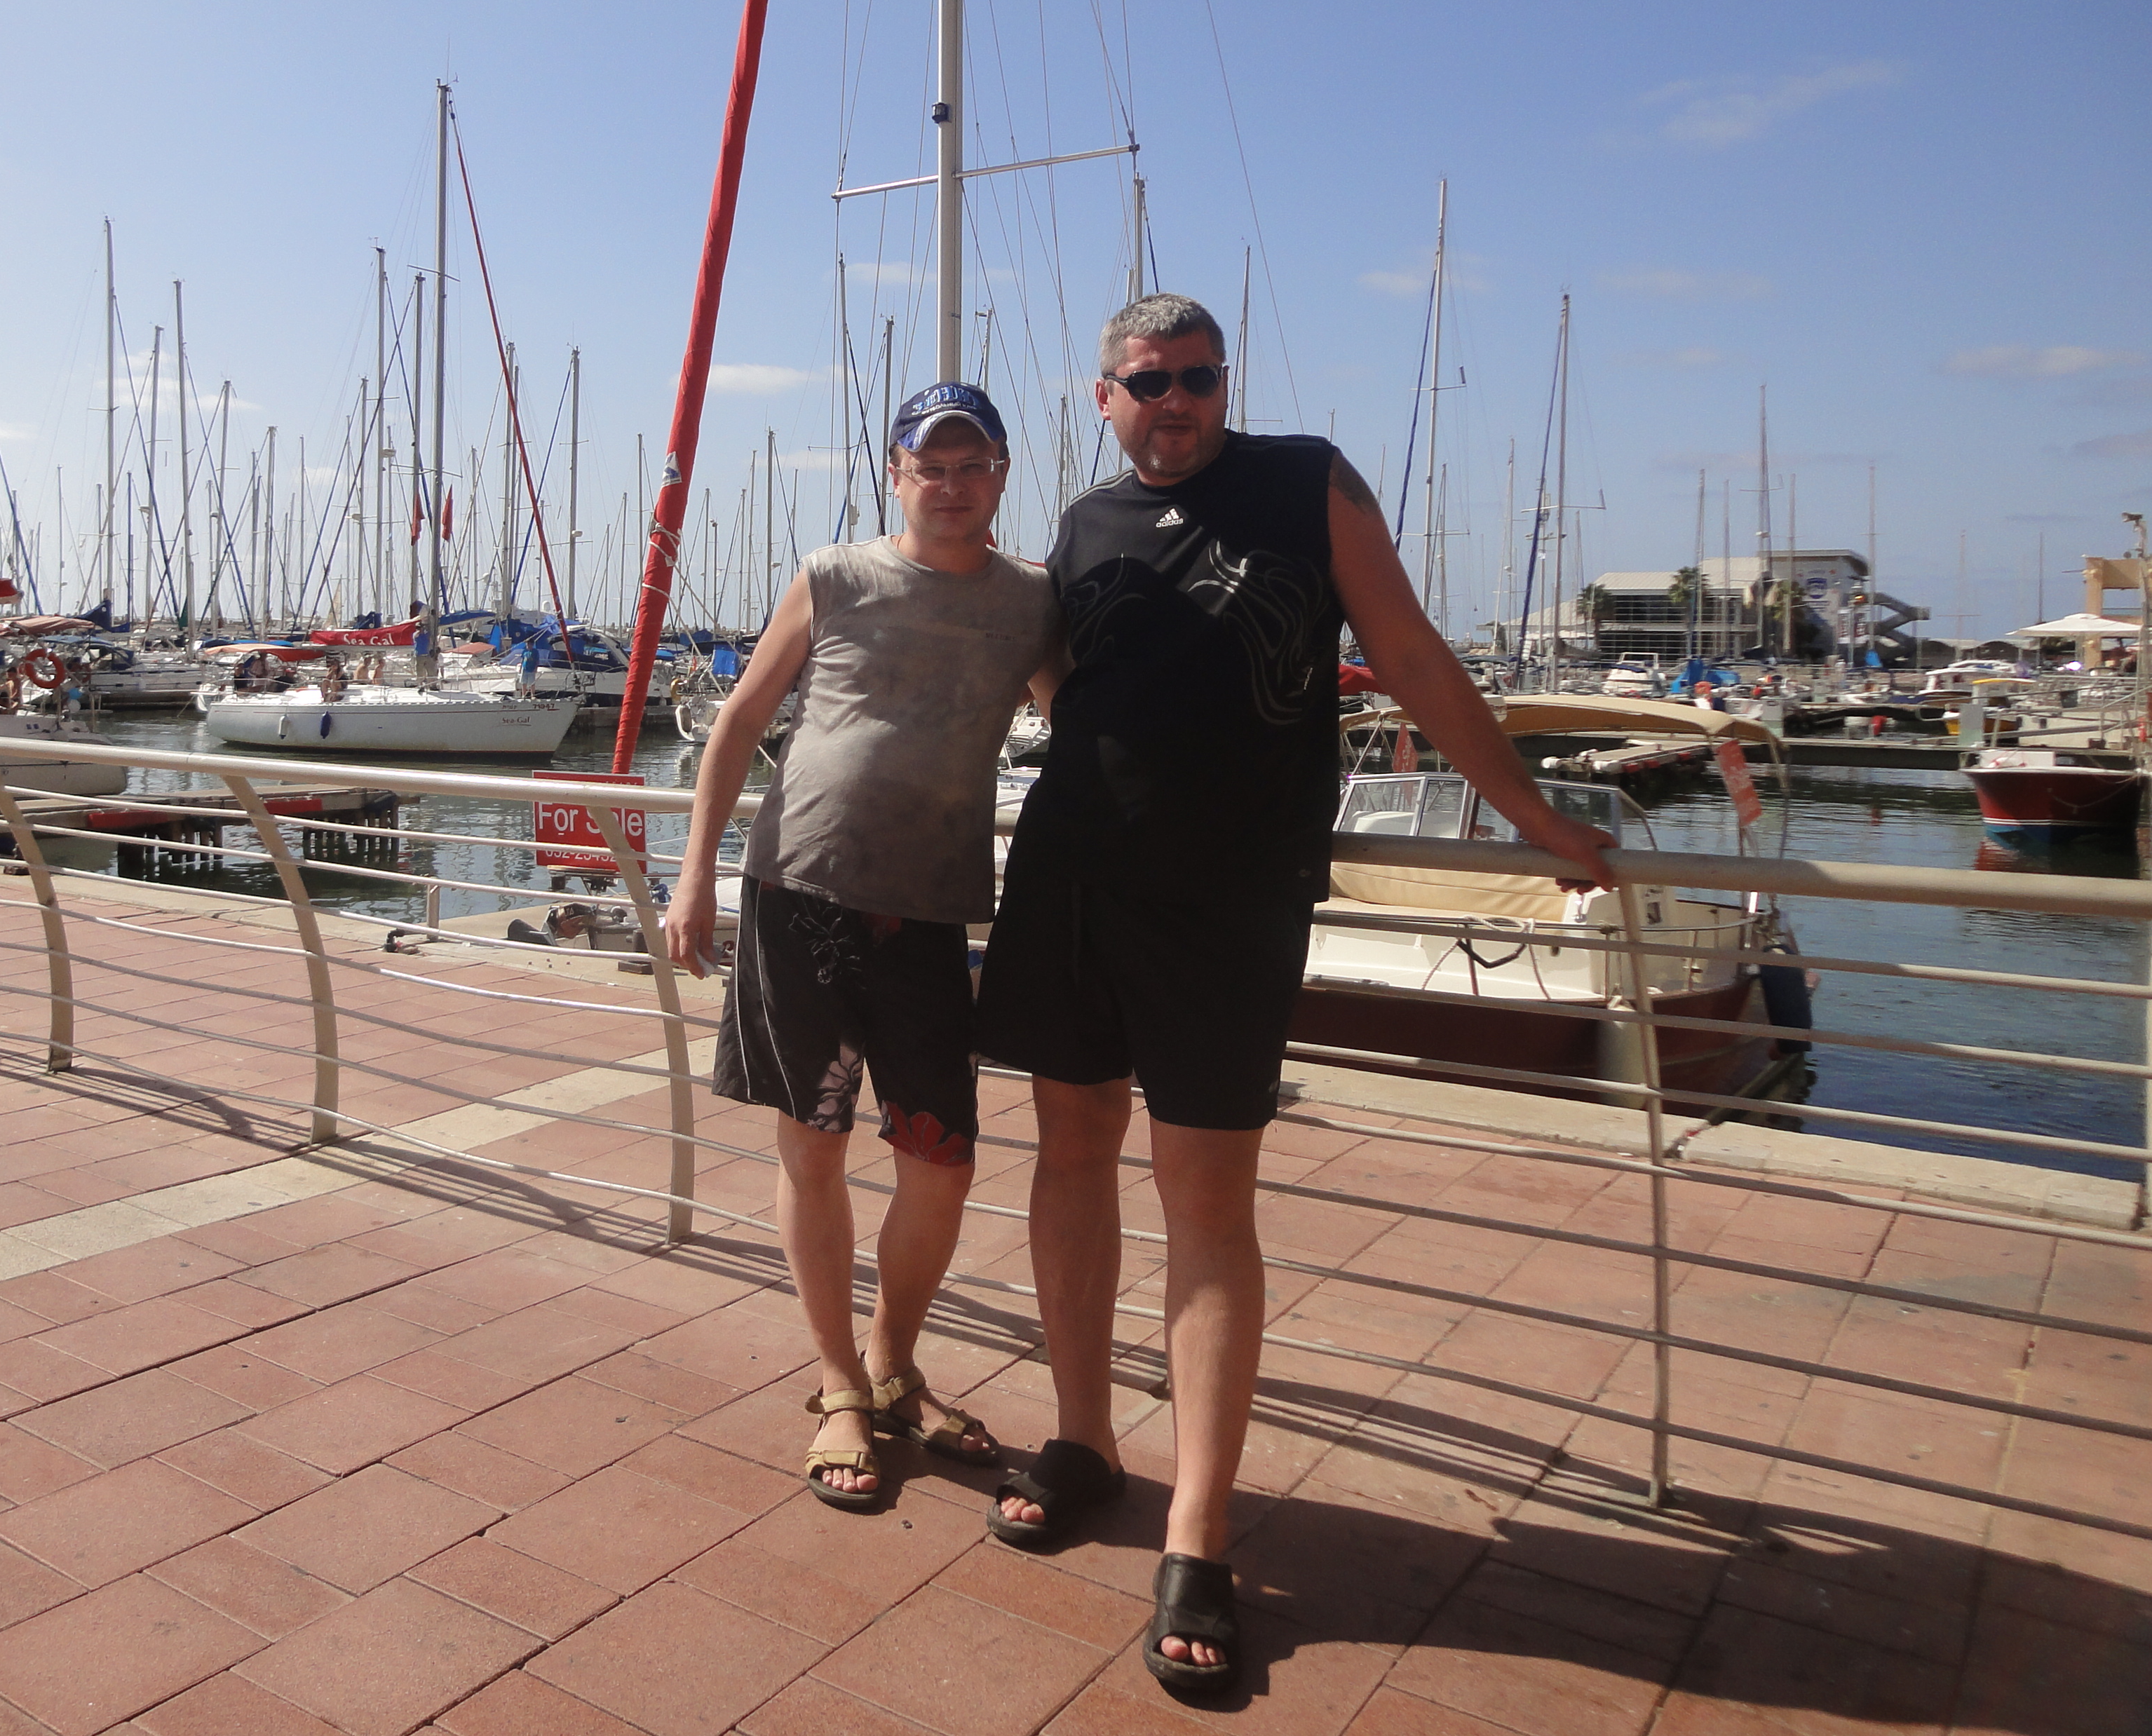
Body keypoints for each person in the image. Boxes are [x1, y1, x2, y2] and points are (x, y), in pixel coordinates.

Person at [975, 294, 1615, 1700]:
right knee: (1068, 1155)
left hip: (1229, 901)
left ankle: (1196, 1533)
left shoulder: (1307, 481)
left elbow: (1412, 655)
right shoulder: (1082, 525)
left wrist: (1527, 814)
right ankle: (1083, 1440)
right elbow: (1055, 681)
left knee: (1206, 1202)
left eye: (1199, 379)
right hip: (1071, 881)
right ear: (1103, 395)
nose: (1177, 402)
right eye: (1150, 381)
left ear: (1226, 385)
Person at [667, 382, 1062, 1514]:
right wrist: (694, 874)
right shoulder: (834, 575)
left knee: (942, 1157)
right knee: (815, 1144)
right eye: (930, 465)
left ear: (1001, 475)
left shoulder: (1032, 600)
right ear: (897, 475)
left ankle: (893, 1364)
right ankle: (840, 1384)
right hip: (800, 889)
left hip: (929, 911)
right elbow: (742, 720)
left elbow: (1080, 723)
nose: (952, 483)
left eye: (973, 463)